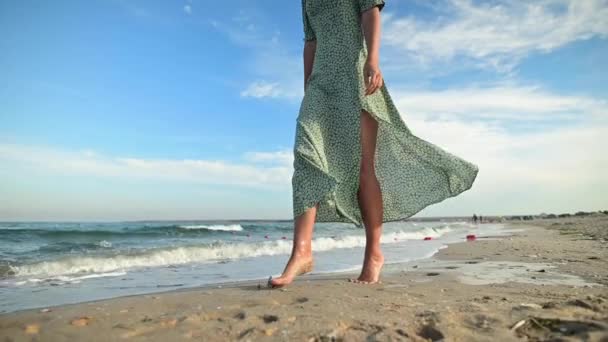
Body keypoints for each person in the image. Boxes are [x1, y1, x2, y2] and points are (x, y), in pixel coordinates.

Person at [268, 0, 479, 288]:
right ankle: (302, 252)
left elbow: (370, 13)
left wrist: (373, 60)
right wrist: (308, 90)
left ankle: (373, 254)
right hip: (320, 85)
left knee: (364, 167)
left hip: (358, 76)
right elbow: (311, 42)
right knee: (305, 157)